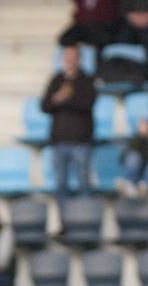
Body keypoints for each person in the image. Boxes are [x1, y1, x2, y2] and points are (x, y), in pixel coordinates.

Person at [41, 45, 97, 202]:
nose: (70, 60)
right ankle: (63, 223)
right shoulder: (57, 79)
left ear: (79, 58)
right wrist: (57, 99)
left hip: (81, 141)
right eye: (67, 56)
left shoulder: (87, 80)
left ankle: (85, 221)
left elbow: (88, 104)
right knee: (60, 186)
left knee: (84, 185)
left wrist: (66, 99)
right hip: (59, 141)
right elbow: (45, 106)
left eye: (73, 56)